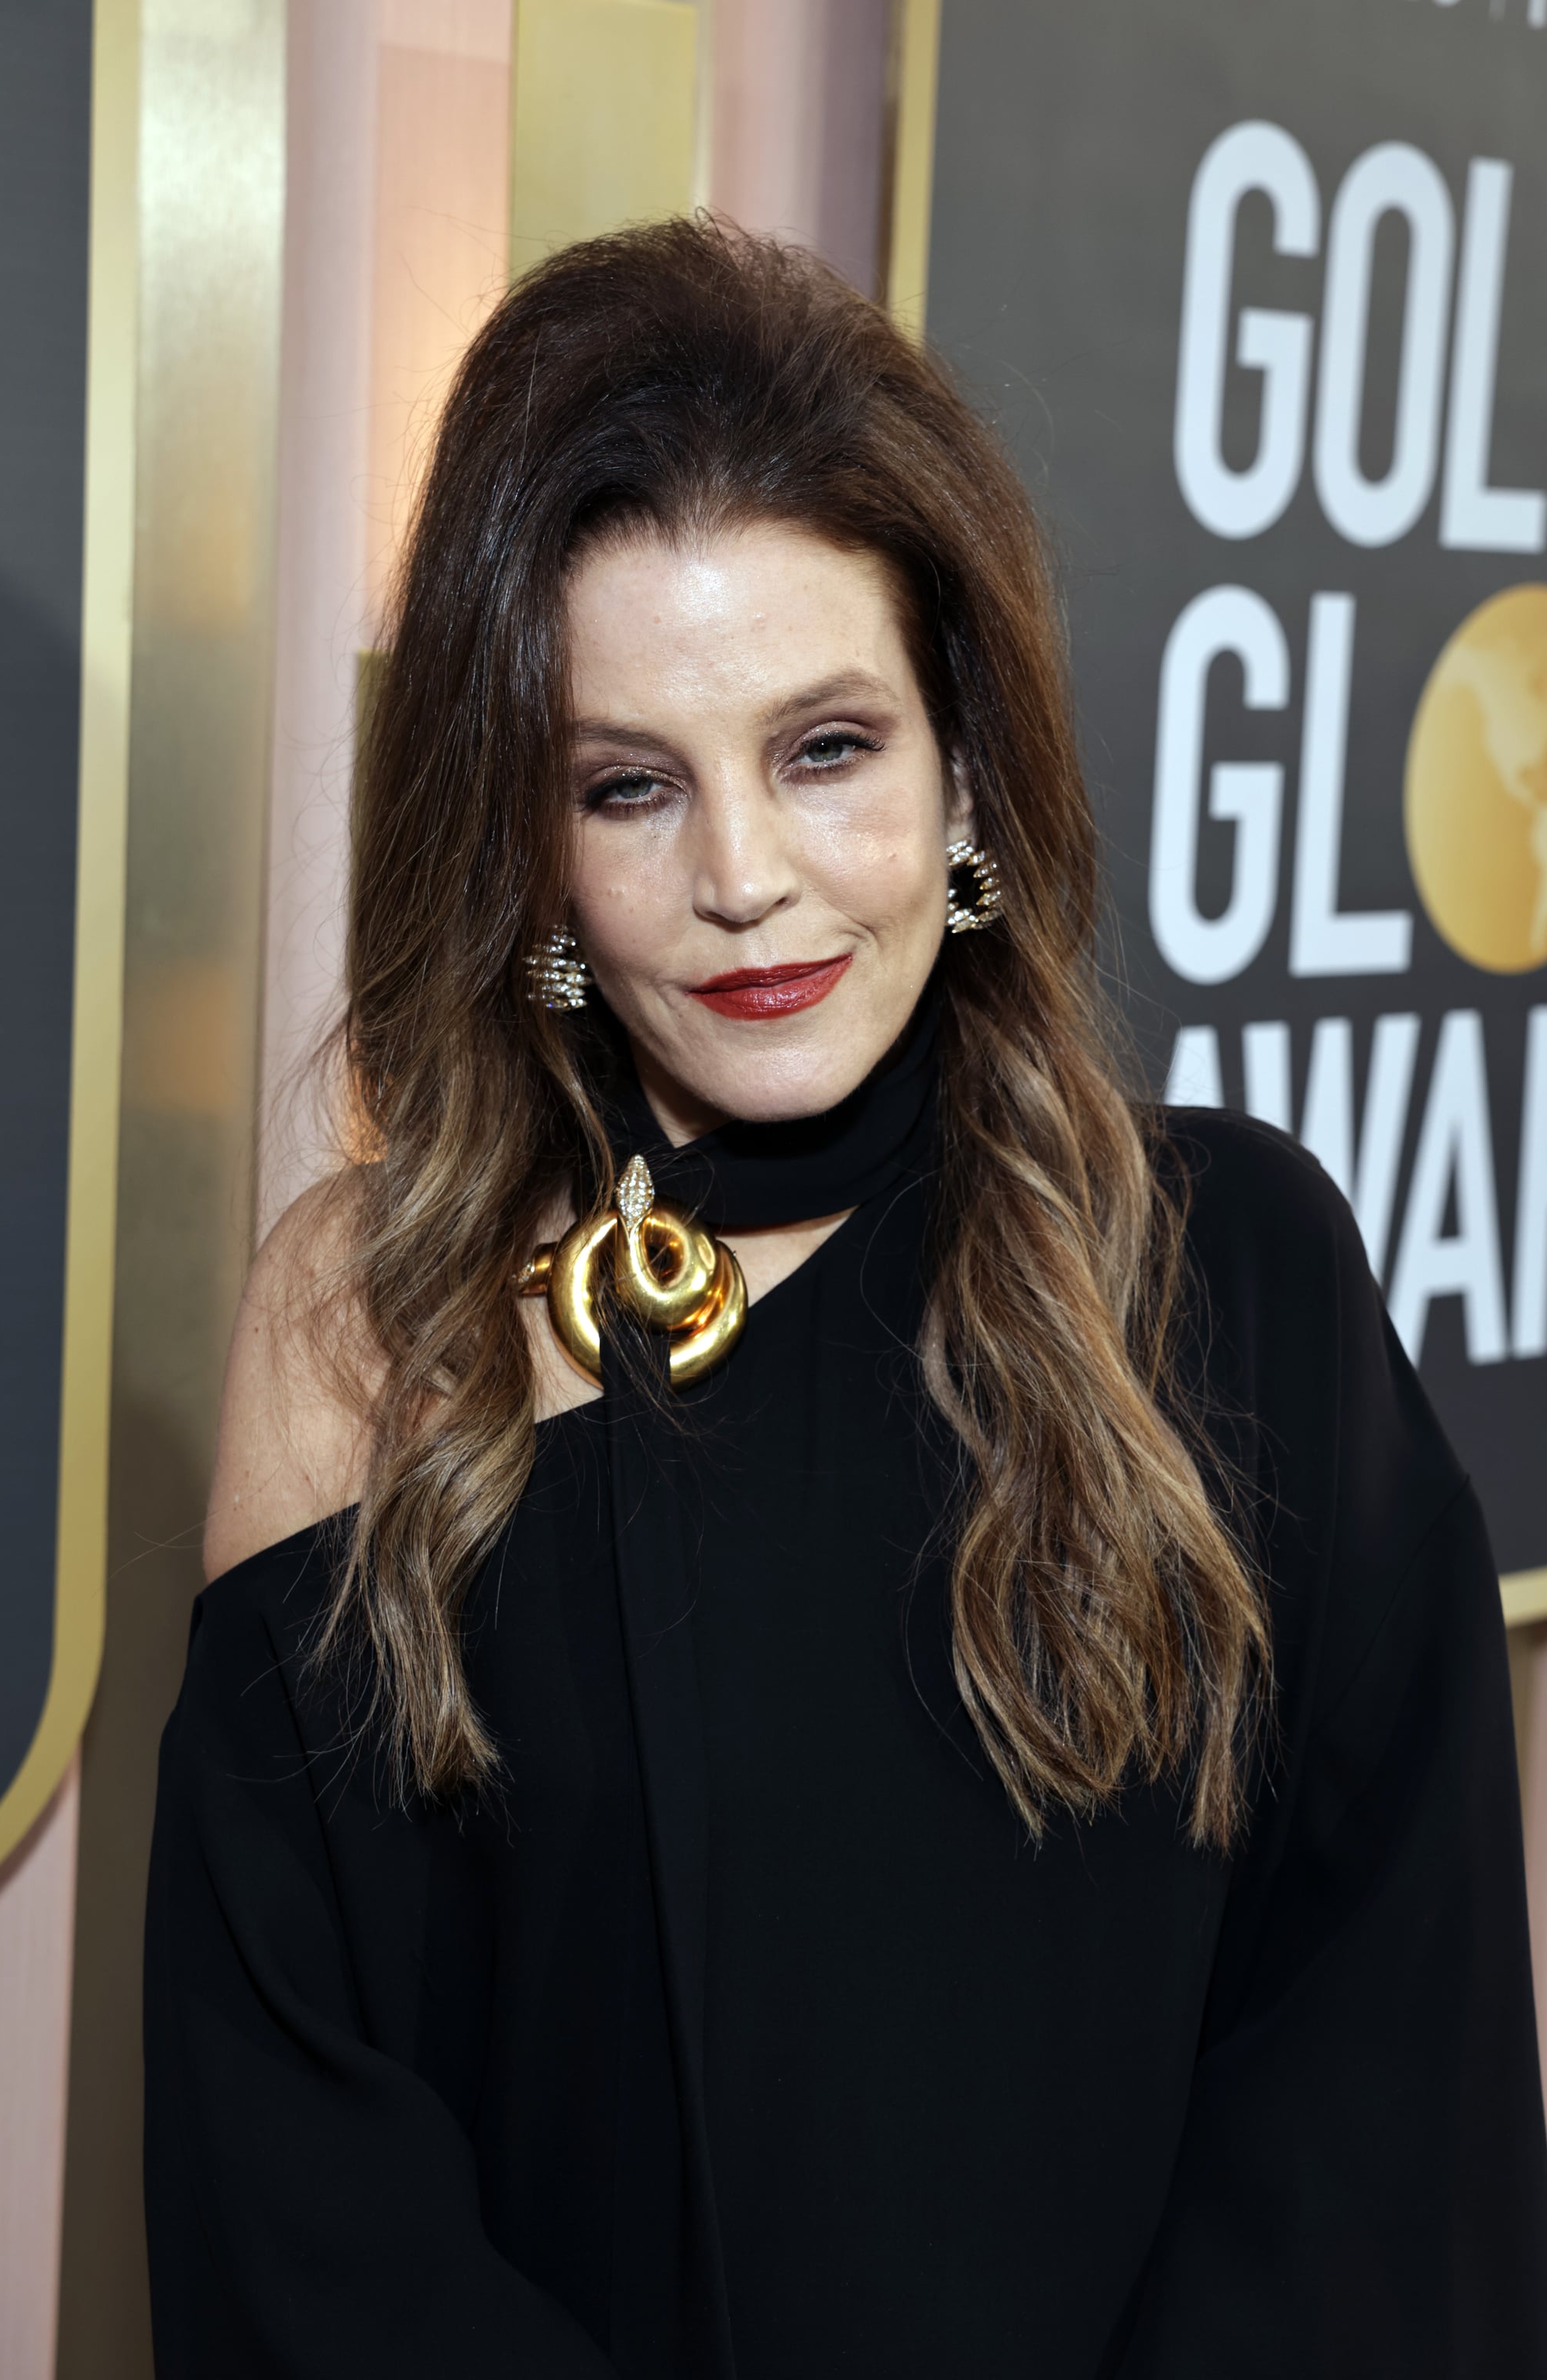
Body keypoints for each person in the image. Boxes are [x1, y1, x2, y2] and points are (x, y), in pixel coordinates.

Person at [143, 219, 1547, 2379]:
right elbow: (297, 2183)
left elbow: (1376, 2102)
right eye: (630, 782)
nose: (743, 879)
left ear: (964, 766)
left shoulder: (1226, 1273)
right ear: (528, 844)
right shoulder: (366, 1317)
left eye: (824, 749)